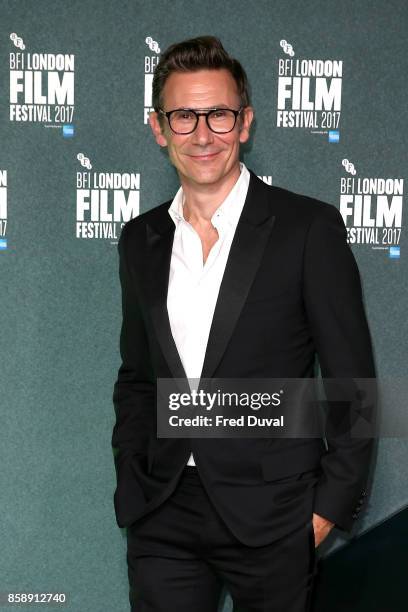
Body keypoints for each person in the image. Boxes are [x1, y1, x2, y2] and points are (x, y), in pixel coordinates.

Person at [112, 35, 376, 612]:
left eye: (219, 114)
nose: (202, 134)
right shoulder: (141, 240)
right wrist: (135, 478)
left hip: (277, 515)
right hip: (164, 513)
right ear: (159, 128)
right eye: (184, 116)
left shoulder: (308, 229)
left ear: (246, 122)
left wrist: (327, 510)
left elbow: (354, 386)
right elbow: (137, 376)